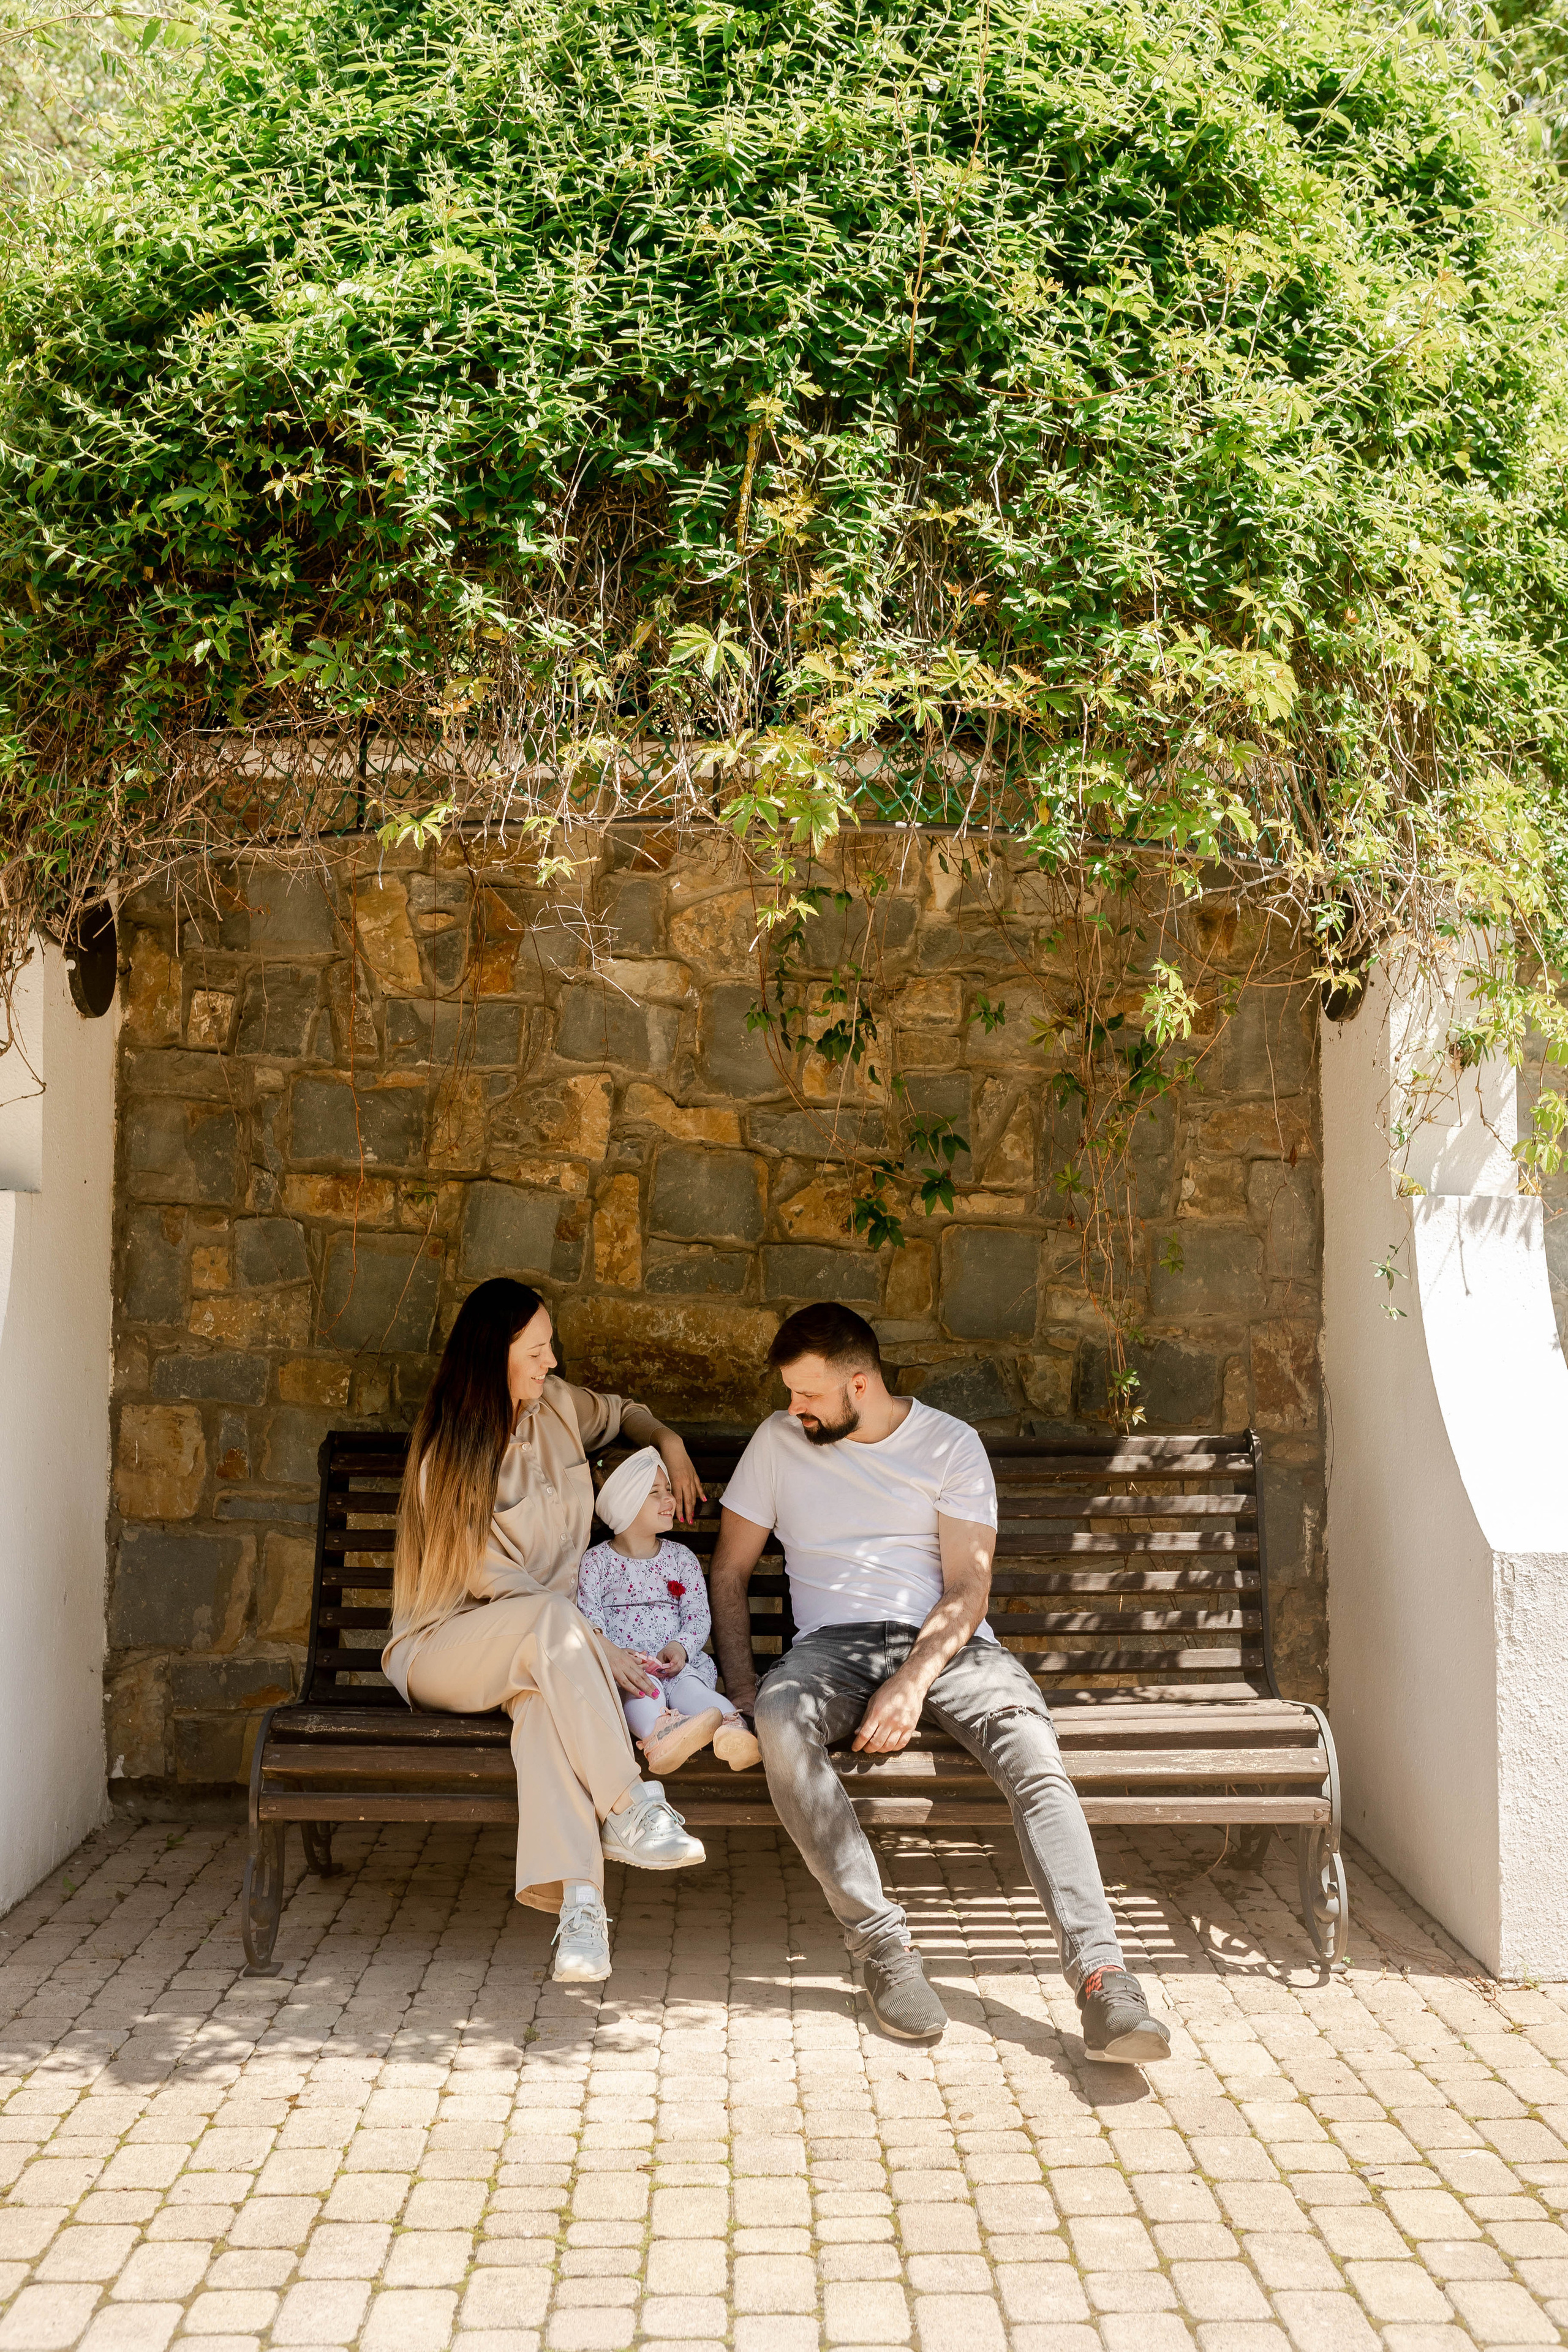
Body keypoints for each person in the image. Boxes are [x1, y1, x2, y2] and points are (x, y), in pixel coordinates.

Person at [709, 1302, 1172, 2063]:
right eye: (791, 1394)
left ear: (859, 1384)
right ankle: (882, 1948)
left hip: (947, 1647)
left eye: (809, 1394)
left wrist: (912, 1682)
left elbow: (967, 1588)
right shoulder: (778, 1442)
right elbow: (729, 1570)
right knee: (781, 1722)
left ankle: (1104, 1979)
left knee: (1032, 1750)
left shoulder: (949, 1445)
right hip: (830, 1647)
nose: (794, 1408)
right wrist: (740, 1687)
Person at [385, 1277, 707, 1986]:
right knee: (550, 1634)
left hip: (549, 1651)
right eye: (536, 1350)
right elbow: (503, 1590)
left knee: (542, 1714)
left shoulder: (558, 1407)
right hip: (448, 1643)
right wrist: (600, 1650)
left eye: (549, 1347)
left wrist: (669, 1442)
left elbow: (625, 1413)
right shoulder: (448, 1455)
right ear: (493, 1355)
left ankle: (582, 1913)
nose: (551, 1361)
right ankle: (629, 1805)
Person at [577, 1447, 762, 1775]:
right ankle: (660, 1737)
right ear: (625, 1503)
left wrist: (681, 1647)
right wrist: (620, 1657)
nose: (670, 1499)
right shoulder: (596, 1562)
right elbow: (590, 1618)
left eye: (668, 1491)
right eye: (655, 1493)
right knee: (641, 1699)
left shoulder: (681, 1559)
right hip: (632, 1670)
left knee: (696, 1694)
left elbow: (697, 1615)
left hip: (676, 1665)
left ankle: (733, 1732)